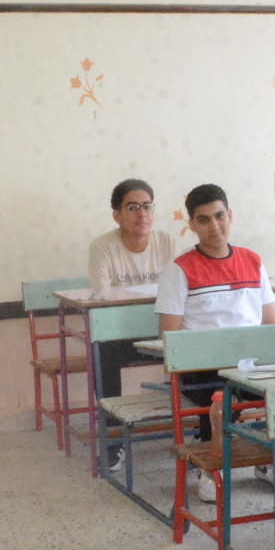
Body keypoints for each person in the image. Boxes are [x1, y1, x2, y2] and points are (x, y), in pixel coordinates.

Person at [156, 183, 275, 502]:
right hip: (202, 368)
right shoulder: (178, 270)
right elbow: (169, 336)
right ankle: (211, 468)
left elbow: (270, 324)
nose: (214, 226)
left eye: (219, 216)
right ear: (191, 225)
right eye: (203, 219)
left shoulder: (252, 260)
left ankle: (271, 461)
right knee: (223, 397)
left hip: (250, 363)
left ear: (230, 215)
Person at [89, 178, 177, 471]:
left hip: (163, 328)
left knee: (194, 346)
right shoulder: (103, 246)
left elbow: (179, 290)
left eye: (148, 206)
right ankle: (114, 440)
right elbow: (102, 296)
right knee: (102, 356)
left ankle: (199, 433)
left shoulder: (166, 242)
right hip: (121, 332)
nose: (142, 214)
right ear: (117, 215)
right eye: (133, 207)